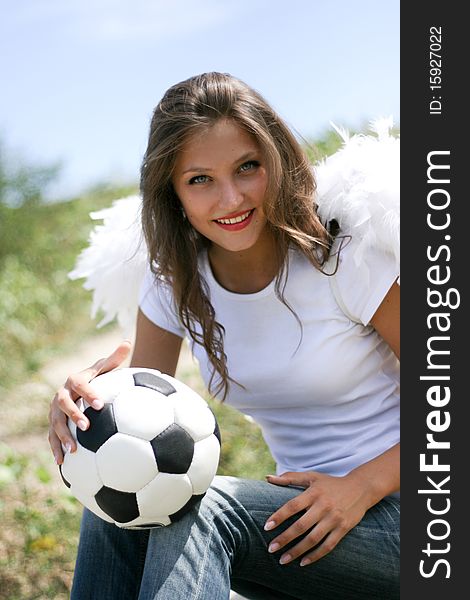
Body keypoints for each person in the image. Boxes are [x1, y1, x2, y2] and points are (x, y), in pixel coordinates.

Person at [48, 72, 400, 600]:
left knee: (205, 510)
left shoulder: (343, 258)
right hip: (305, 524)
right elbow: (133, 417)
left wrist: (361, 487)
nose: (230, 197)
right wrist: (84, 409)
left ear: (275, 160)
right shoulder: (176, 281)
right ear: (173, 193)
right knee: (116, 502)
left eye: (247, 168)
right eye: (200, 179)